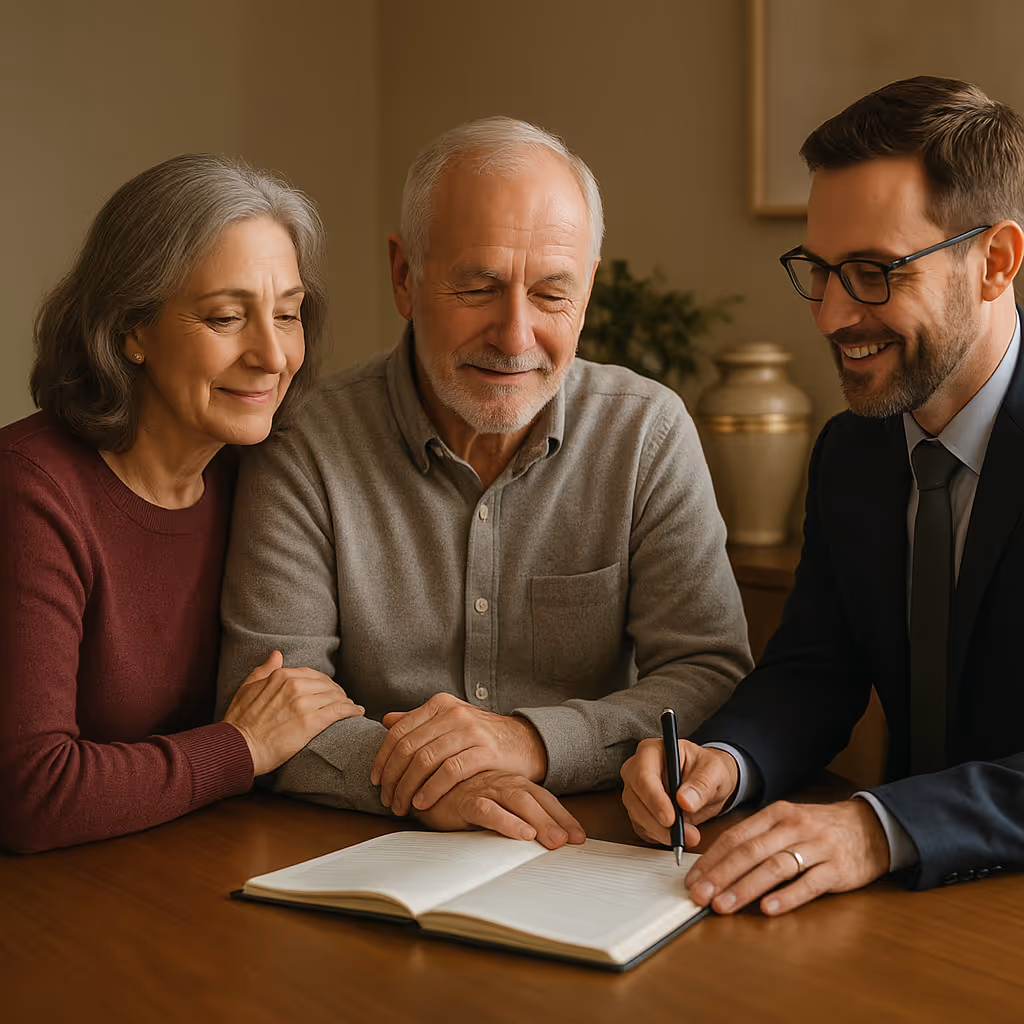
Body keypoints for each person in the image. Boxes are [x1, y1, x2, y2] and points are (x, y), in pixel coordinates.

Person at [216, 117, 752, 849]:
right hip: (357, 852)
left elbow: (708, 671)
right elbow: (267, 702)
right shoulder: (304, 442)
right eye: (480, 286)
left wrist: (532, 743)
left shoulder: (647, 433)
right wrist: (445, 783)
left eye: (552, 294)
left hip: (591, 847)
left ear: (588, 291)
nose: (515, 335)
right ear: (405, 276)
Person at [621, 75, 1024, 913]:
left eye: (874, 272)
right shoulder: (852, 453)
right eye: (822, 270)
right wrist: (725, 762)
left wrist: (877, 827)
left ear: (995, 263)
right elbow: (814, 671)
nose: (833, 316)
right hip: (907, 917)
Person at [0, 154, 365, 854]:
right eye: (226, 317)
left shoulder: (262, 476)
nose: (272, 353)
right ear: (130, 329)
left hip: (190, 864)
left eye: (288, 314)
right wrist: (240, 747)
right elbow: (31, 792)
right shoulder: (29, 492)